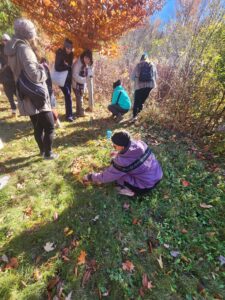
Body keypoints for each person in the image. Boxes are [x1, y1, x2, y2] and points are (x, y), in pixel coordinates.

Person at [4, 18, 57, 159]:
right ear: (28, 34)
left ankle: (42, 151)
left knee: (38, 126)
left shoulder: (13, 48)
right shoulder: (24, 49)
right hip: (35, 93)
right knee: (50, 126)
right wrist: (44, 71)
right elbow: (33, 74)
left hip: (24, 92)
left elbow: (16, 71)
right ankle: (48, 153)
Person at [83, 131, 163, 197]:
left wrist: (90, 177)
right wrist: (118, 154)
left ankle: (131, 192)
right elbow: (132, 156)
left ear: (122, 147)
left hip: (145, 186)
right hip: (158, 176)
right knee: (119, 168)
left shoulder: (122, 162)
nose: (113, 147)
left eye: (115, 146)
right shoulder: (140, 144)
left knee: (119, 176)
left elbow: (107, 176)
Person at [131, 53, 157, 121]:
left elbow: (132, 77)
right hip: (149, 86)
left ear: (141, 58)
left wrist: (135, 80)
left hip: (139, 86)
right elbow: (156, 76)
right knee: (142, 101)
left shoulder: (138, 65)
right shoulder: (152, 64)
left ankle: (134, 116)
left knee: (136, 101)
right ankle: (139, 114)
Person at [55, 38, 74, 122]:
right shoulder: (60, 53)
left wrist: (68, 66)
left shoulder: (71, 54)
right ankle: (69, 116)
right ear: (65, 47)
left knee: (68, 96)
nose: (69, 50)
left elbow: (70, 65)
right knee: (68, 95)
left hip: (68, 78)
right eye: (68, 48)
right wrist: (66, 66)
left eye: (71, 48)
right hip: (61, 78)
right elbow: (57, 67)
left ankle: (69, 114)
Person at [40, 58, 61, 128]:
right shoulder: (47, 68)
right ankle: (57, 122)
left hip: (45, 90)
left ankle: (56, 122)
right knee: (52, 107)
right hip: (49, 89)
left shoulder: (41, 67)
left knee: (50, 108)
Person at [72, 49, 93, 117]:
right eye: (86, 58)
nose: (87, 60)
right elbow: (74, 75)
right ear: (83, 56)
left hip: (81, 84)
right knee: (80, 99)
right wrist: (84, 80)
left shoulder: (85, 64)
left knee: (79, 98)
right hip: (76, 84)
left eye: (88, 59)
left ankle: (78, 112)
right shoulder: (78, 63)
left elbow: (88, 73)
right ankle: (81, 112)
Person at [0, 33, 17, 116]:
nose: (5, 41)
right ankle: (13, 109)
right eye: (4, 40)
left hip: (14, 75)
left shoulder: (14, 47)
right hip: (4, 75)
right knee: (9, 94)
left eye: (6, 40)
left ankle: (23, 107)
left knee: (17, 93)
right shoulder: (1, 49)